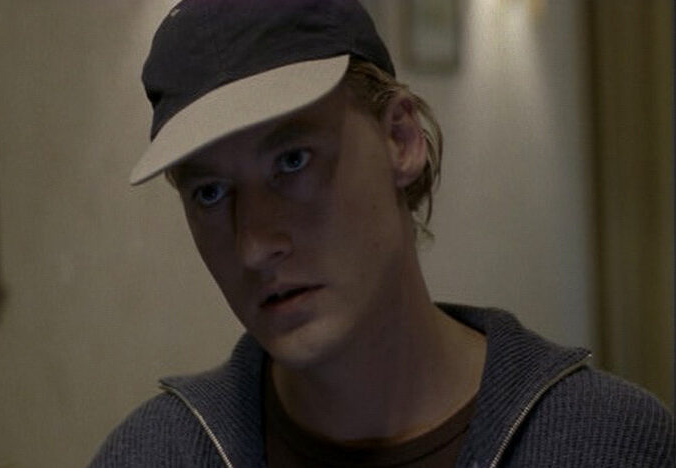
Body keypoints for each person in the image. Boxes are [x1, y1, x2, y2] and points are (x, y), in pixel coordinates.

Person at [91, 1, 675, 466]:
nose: (254, 245)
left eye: (292, 161)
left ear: (400, 139)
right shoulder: (155, 453)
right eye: (211, 192)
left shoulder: (606, 440)